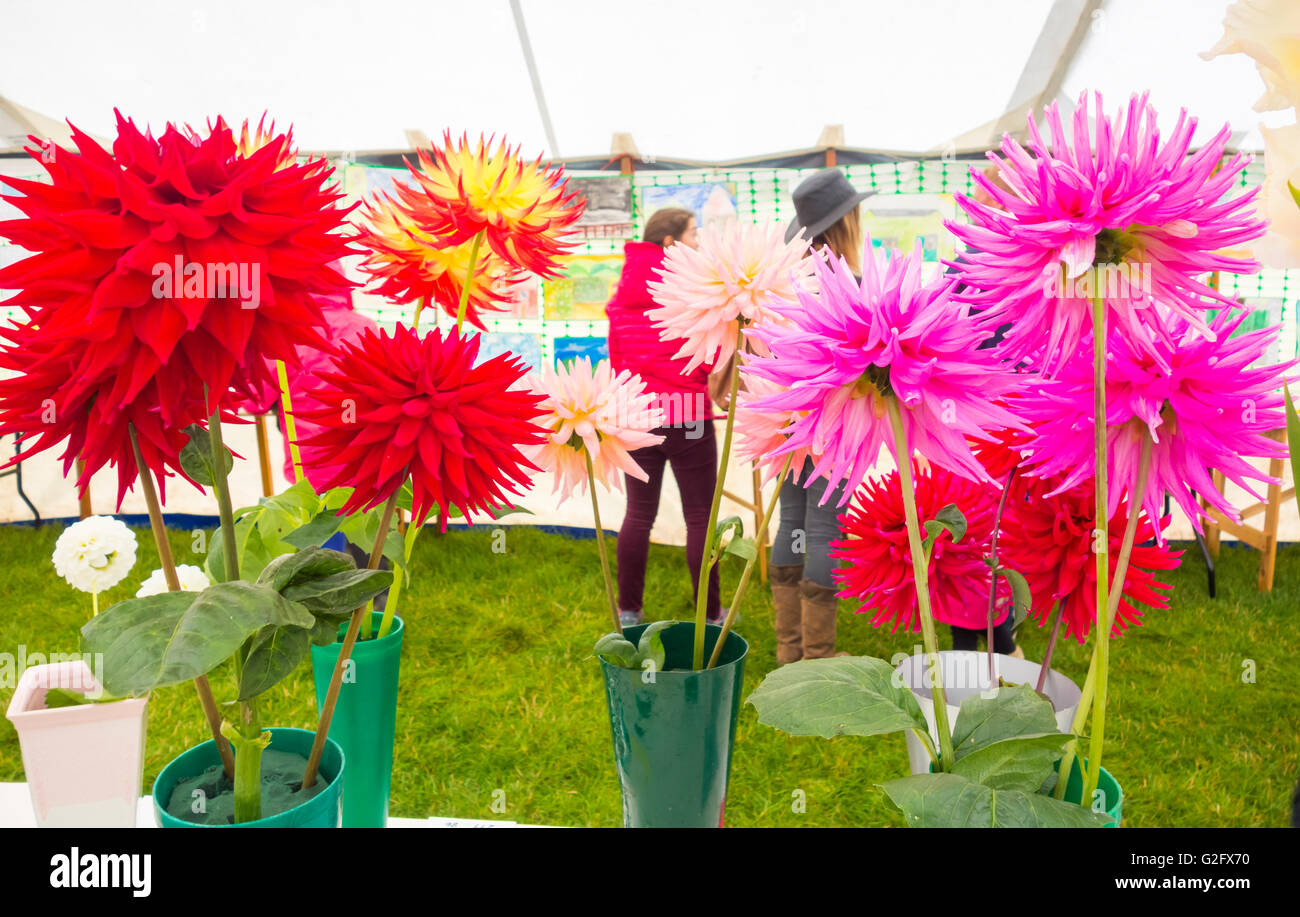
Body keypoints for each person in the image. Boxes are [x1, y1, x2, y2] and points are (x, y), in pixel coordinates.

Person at [768, 169, 873, 663]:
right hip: (837, 422)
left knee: (792, 519)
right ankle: (818, 658)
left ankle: (789, 652)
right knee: (825, 526)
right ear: (846, 223)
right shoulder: (851, 285)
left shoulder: (787, 284)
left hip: (785, 421)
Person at [607, 208, 721, 629]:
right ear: (670, 241)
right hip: (689, 414)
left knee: (638, 515)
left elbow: (617, 363)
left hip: (636, 416)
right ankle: (709, 616)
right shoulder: (689, 289)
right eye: (693, 234)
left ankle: (629, 612)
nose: (698, 242)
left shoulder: (622, 296)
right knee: (699, 518)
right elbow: (707, 357)